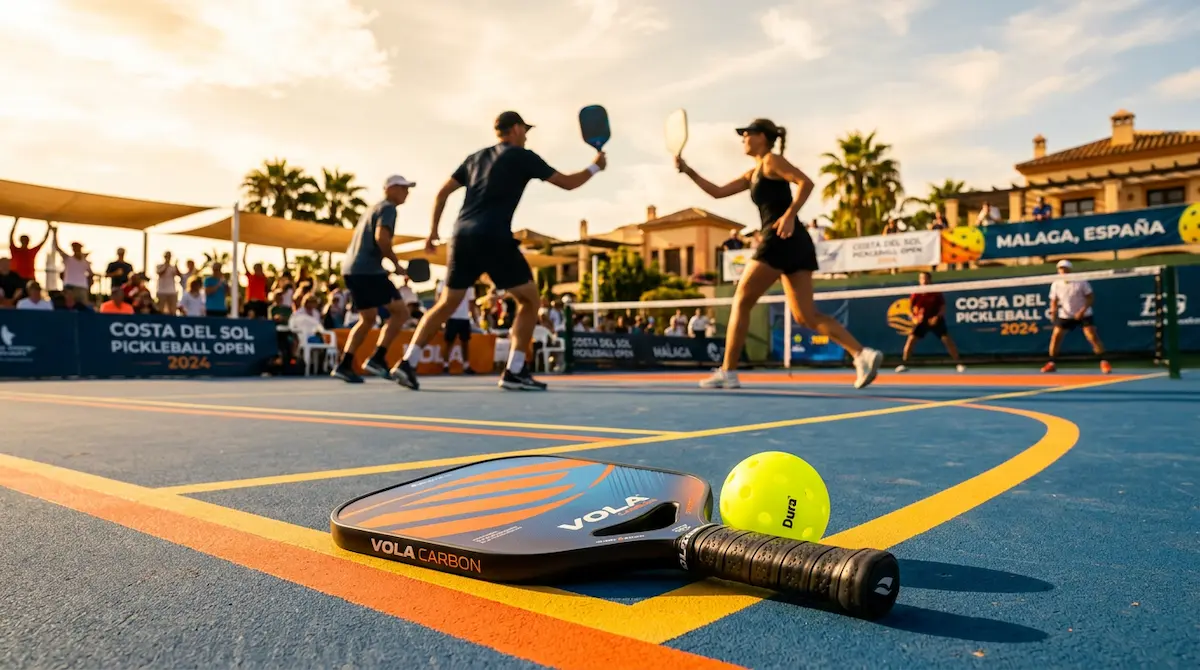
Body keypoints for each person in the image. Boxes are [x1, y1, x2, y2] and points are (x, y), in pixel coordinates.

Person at [389, 111, 606, 391]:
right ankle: (515, 371)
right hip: (493, 235)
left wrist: (433, 232)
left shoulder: (475, 158)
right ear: (515, 129)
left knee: (446, 303)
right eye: (525, 130)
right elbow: (567, 183)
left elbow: (441, 193)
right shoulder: (523, 156)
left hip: (461, 235)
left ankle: (407, 362)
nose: (526, 136)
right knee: (529, 301)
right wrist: (595, 166)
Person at [676, 117, 882, 389]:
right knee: (805, 316)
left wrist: (789, 215)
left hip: (781, 238)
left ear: (762, 137)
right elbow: (717, 192)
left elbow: (805, 183)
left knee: (741, 301)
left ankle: (728, 371)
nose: (743, 139)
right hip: (795, 242)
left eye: (747, 134)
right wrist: (689, 171)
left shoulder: (773, 161)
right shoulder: (754, 173)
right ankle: (861, 353)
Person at [330, 175, 415, 383]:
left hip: (351, 270)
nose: (407, 193)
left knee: (367, 318)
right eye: (404, 188)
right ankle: (377, 358)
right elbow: (381, 239)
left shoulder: (371, 209)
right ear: (391, 188)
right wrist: (396, 265)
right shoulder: (388, 208)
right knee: (401, 312)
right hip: (367, 270)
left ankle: (344, 364)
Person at [1042, 260, 1111, 374]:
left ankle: (1104, 362)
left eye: (1065, 268)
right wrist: (1053, 311)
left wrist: (1082, 311)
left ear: (1070, 270)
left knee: (1092, 336)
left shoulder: (1081, 281)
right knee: (1056, 337)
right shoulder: (1056, 284)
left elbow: (1090, 297)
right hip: (1065, 315)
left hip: (1084, 314)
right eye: (1060, 268)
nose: (1062, 270)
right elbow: (1053, 300)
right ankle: (1051, 363)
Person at [895, 272, 965, 373]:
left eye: (925, 278)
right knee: (911, 340)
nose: (923, 280)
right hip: (921, 321)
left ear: (930, 280)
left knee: (947, 340)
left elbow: (942, 307)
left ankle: (959, 363)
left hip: (935, 320)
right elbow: (910, 308)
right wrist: (914, 317)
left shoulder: (935, 292)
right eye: (921, 278)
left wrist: (937, 317)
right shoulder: (916, 293)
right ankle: (904, 363)